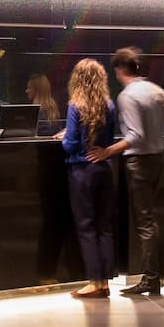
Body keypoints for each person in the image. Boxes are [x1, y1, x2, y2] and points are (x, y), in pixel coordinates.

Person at [85, 47, 164, 296]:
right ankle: (158, 271)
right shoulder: (155, 90)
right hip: (158, 161)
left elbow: (135, 135)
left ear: (120, 69)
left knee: (145, 222)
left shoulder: (127, 96)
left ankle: (152, 278)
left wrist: (107, 152)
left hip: (139, 163)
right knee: (151, 218)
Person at [61, 59, 116, 298]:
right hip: (105, 169)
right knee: (104, 227)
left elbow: (70, 143)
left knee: (86, 227)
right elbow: (110, 138)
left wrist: (64, 138)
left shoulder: (76, 105)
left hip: (82, 171)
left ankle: (94, 282)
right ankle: (105, 282)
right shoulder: (109, 105)